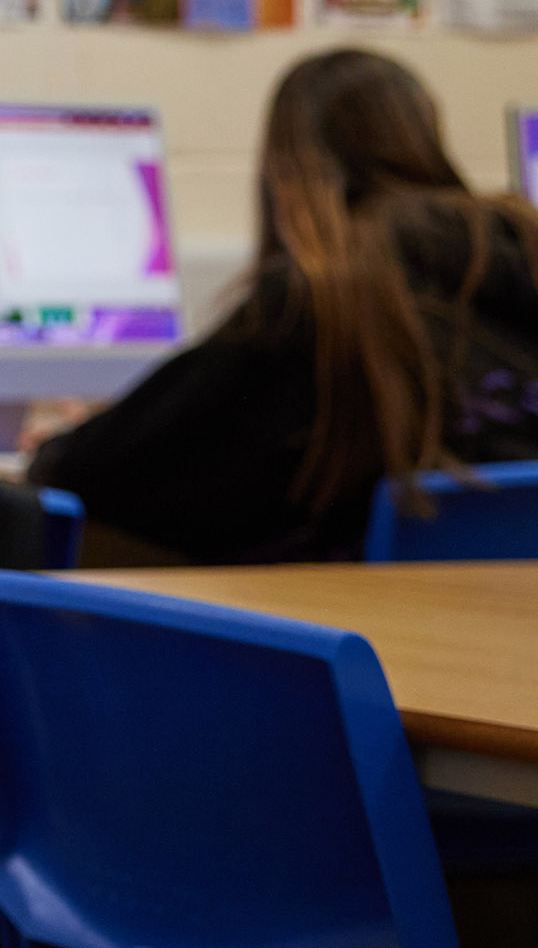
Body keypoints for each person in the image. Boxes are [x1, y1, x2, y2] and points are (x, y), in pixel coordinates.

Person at [32, 50, 538, 564]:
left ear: (287, 168)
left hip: (379, 627)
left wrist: (59, 446)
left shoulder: (321, 298)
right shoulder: (521, 252)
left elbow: (98, 475)